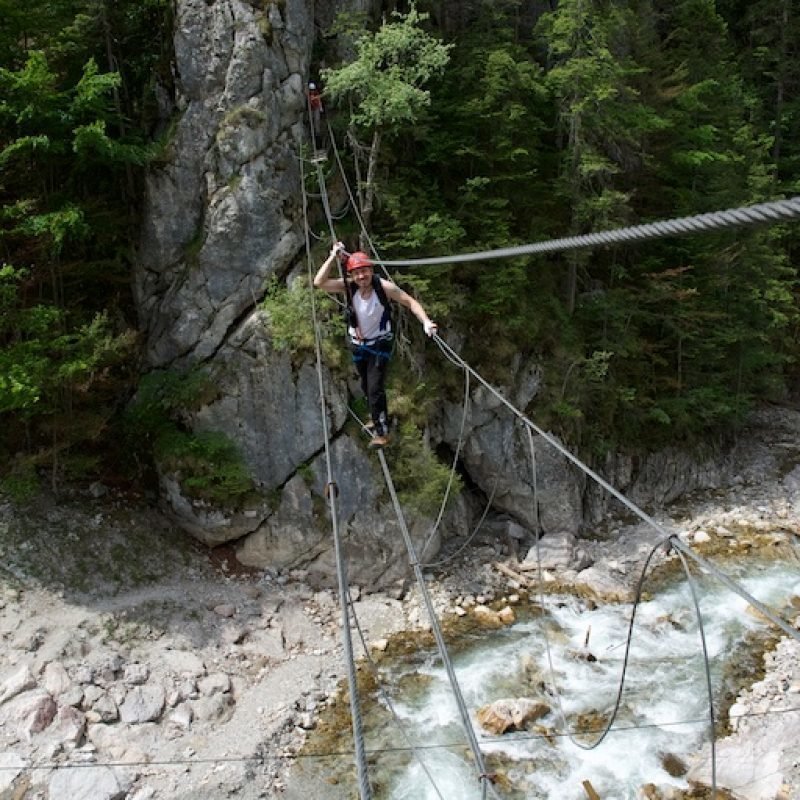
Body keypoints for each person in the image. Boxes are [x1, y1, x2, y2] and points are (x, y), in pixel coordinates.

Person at [314, 243, 438, 448]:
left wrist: (425, 321)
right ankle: (376, 417)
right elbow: (319, 282)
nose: (361, 277)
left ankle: (382, 433)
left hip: (379, 345)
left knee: (375, 388)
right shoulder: (349, 287)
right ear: (352, 275)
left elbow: (410, 302)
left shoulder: (383, 288)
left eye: (364, 271)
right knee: (366, 385)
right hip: (358, 345)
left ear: (371, 270)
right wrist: (332, 258)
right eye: (357, 273)